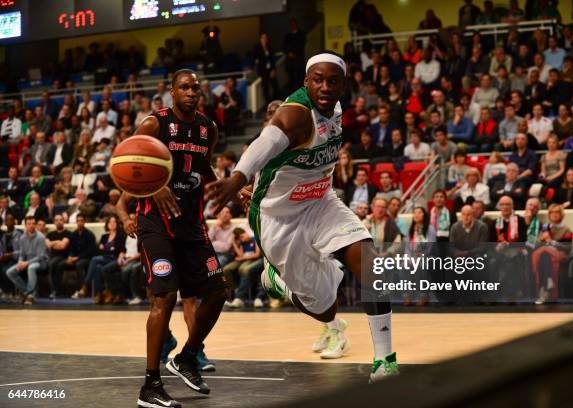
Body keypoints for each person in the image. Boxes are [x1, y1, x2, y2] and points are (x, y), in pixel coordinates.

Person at [204, 53, 399, 381]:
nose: (324, 86)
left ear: (343, 85)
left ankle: (385, 362)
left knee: (371, 264)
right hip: (280, 220)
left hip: (322, 202)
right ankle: (279, 283)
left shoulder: (335, 109)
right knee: (327, 309)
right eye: (317, 80)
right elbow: (263, 143)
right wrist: (237, 179)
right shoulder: (295, 115)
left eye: (332, 81)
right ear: (305, 82)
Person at [116, 69, 229, 407]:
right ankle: (150, 385)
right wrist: (157, 186)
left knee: (218, 291)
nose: (191, 92)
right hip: (155, 223)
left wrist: (228, 187)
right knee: (164, 297)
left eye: (196, 87)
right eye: (184, 87)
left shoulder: (208, 128)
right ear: (171, 92)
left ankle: (188, 357)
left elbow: (204, 167)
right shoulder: (155, 124)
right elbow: (128, 161)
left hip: (191, 225)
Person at [531, 204, 573, 303]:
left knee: (544, 252)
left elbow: (568, 248)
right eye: (552, 212)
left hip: (560, 254)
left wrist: (552, 242)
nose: (554, 214)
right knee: (543, 254)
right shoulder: (545, 228)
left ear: (561, 214)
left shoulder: (566, 230)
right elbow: (535, 245)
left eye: (557, 212)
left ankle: (544, 291)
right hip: (546, 256)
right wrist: (541, 239)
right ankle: (547, 282)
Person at [6, 216, 47, 305]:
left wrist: (26, 263)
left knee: (31, 268)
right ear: (25, 225)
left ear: (35, 225)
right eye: (29, 224)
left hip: (41, 262)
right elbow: (21, 254)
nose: (31, 226)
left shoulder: (40, 237)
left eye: (33, 224)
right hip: (26, 262)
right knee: (10, 272)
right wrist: (20, 262)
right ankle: (29, 292)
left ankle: (29, 296)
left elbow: (40, 256)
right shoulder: (22, 237)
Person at [46, 214, 71, 299]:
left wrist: (54, 244)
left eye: (60, 220)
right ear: (54, 222)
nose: (59, 222)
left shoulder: (68, 233)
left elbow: (63, 246)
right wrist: (57, 241)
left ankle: (55, 290)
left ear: (64, 221)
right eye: (56, 220)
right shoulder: (50, 234)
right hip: (53, 257)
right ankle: (55, 290)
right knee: (52, 264)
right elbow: (48, 245)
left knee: (53, 264)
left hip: (64, 256)